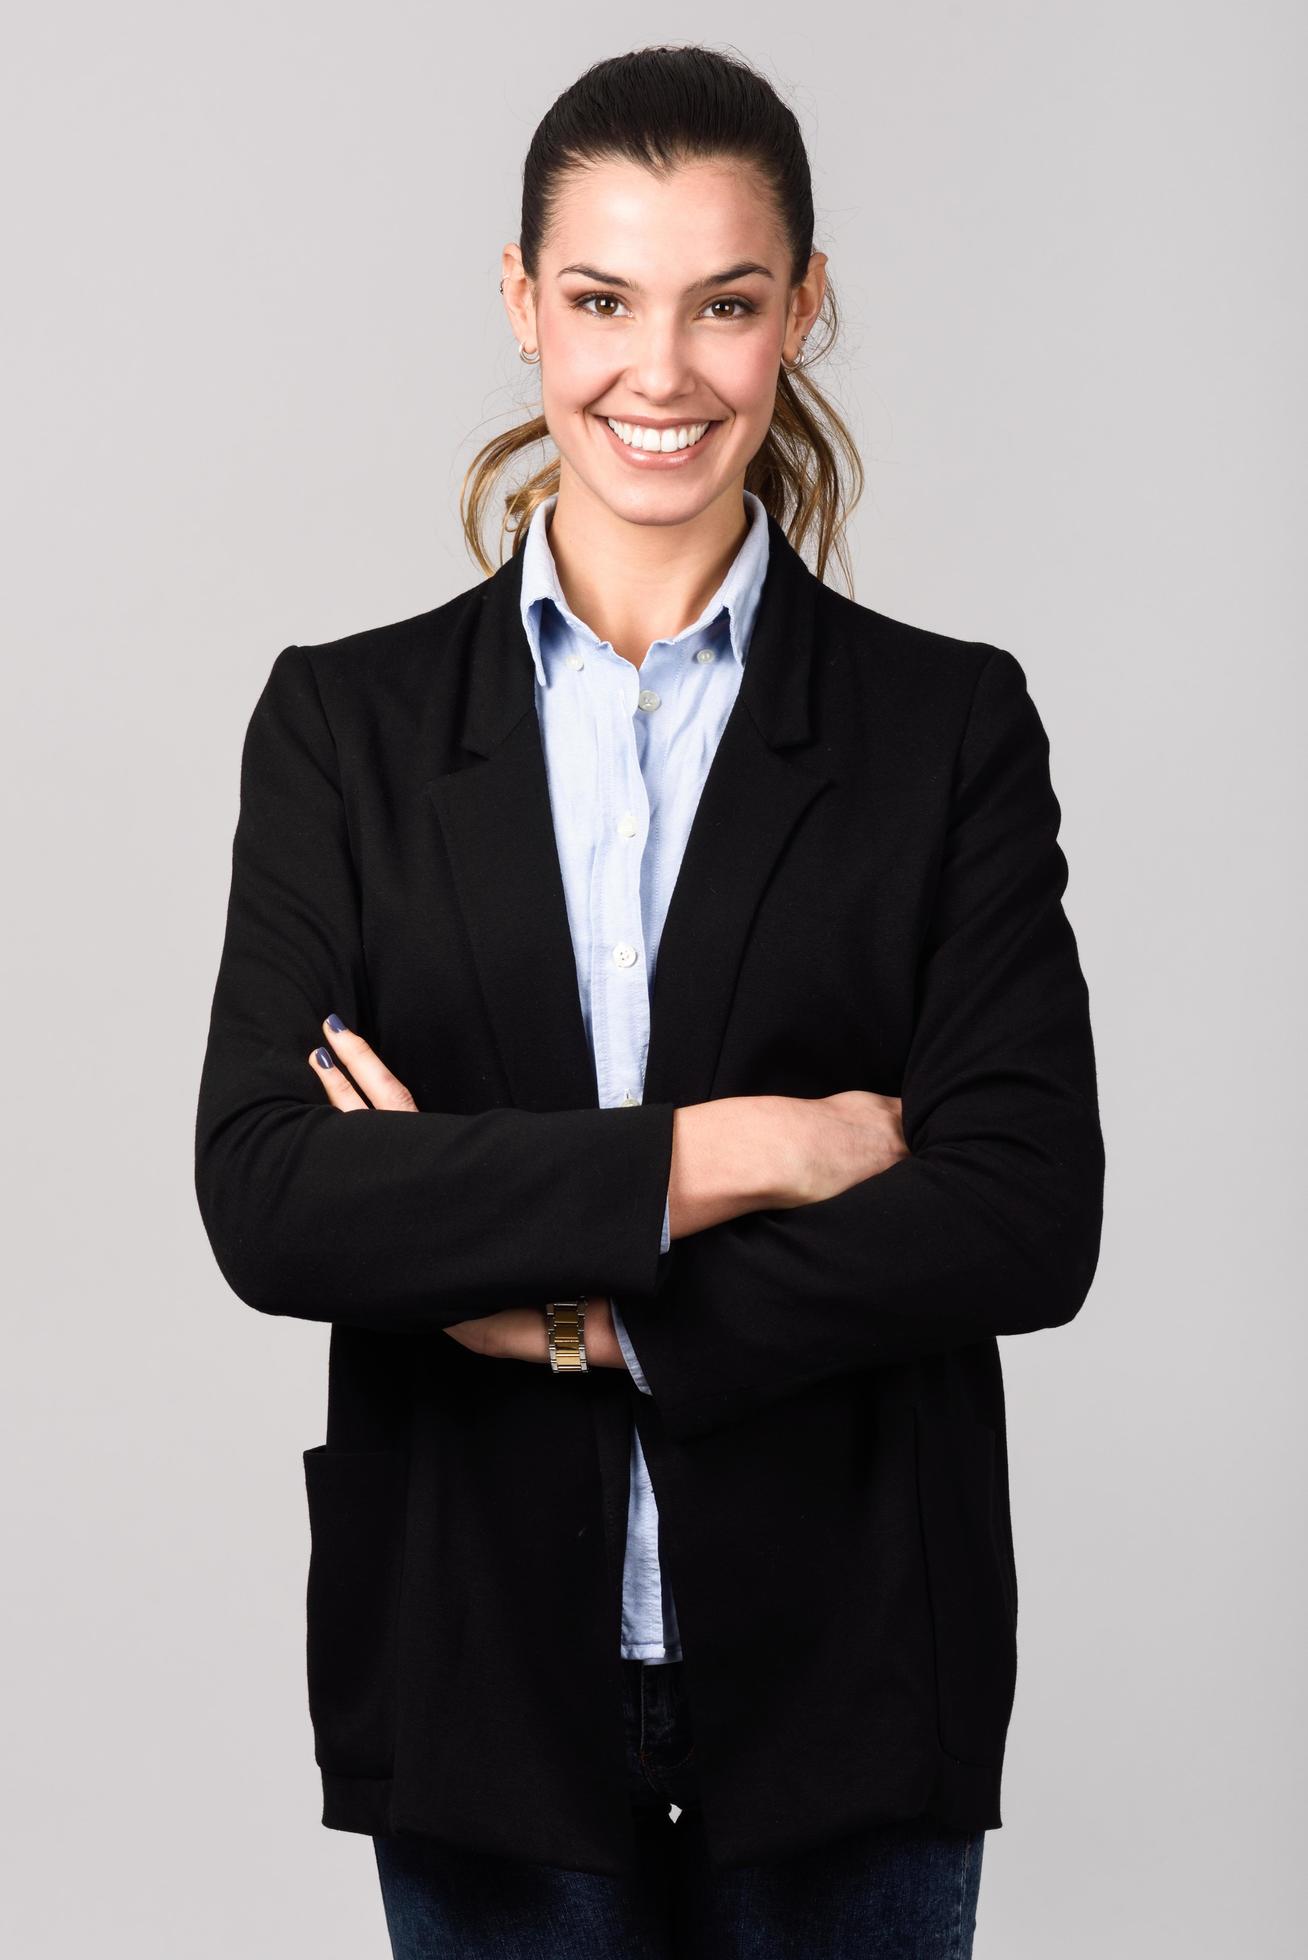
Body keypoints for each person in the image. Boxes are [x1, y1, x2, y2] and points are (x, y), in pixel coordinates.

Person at [194, 42, 1105, 1960]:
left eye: (726, 303)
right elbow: (275, 1196)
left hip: (859, 1656)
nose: (660, 372)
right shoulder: (345, 731)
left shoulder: (946, 728)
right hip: (470, 1667)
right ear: (522, 305)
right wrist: (740, 1153)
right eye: (602, 300)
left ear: (804, 311)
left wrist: (562, 1312)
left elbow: (1026, 1209)